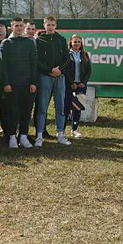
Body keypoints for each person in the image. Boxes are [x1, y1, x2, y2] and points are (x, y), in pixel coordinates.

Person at [0, 17, 38, 148]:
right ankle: (11, 137)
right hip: (12, 85)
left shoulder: (29, 43)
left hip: (27, 84)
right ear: (12, 27)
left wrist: (33, 82)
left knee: (26, 111)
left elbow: (33, 63)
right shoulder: (6, 43)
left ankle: (23, 136)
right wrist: (6, 83)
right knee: (12, 111)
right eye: (16, 26)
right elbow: (3, 66)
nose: (19, 28)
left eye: (21, 25)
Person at [34, 15, 72, 146]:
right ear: (44, 25)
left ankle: (60, 134)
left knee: (60, 107)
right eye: (48, 24)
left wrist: (59, 70)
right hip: (45, 77)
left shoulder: (61, 39)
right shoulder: (39, 40)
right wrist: (49, 70)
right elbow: (37, 60)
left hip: (59, 77)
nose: (50, 27)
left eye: (52, 25)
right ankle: (39, 136)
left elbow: (67, 58)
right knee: (42, 107)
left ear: (56, 26)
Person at [63, 34, 91, 139]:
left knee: (77, 108)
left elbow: (89, 71)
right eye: (75, 42)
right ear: (70, 42)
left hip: (81, 85)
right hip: (68, 84)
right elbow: (64, 69)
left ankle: (74, 129)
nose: (77, 44)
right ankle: (62, 130)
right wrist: (71, 82)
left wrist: (83, 82)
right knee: (65, 107)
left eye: (79, 42)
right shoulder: (66, 54)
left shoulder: (85, 55)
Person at [26, 21, 50, 140]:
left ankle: (41, 129)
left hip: (40, 77)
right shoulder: (22, 42)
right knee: (26, 107)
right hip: (27, 78)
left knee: (41, 105)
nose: (30, 31)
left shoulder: (39, 42)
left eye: (32, 29)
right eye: (28, 29)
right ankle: (23, 132)